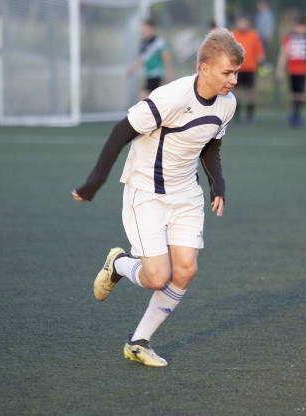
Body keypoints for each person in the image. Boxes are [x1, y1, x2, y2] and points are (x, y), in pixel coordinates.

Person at [72, 28, 244, 367]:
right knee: (156, 277)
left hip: (186, 194)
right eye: (227, 72)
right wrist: (95, 182)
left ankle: (138, 342)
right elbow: (122, 131)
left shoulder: (228, 104)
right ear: (205, 68)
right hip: (146, 192)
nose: (233, 80)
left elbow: (210, 145)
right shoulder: (172, 97)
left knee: (186, 270)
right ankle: (118, 264)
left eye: (236, 72)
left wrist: (218, 185)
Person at [275, 17, 306, 128]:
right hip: (301, 71)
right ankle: (295, 114)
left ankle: (295, 115)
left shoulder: (289, 38)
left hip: (294, 70)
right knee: (302, 95)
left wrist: (280, 69)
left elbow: (283, 54)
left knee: (296, 95)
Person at [127, 19, 173, 100]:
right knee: (154, 98)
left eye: (145, 29)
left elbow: (166, 57)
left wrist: (168, 73)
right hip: (149, 75)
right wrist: (132, 68)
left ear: (151, 29)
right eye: (142, 30)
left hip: (157, 74)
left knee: (143, 96)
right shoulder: (143, 43)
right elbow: (140, 58)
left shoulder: (159, 42)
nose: (143, 31)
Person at [232, 15, 265, 123]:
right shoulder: (233, 35)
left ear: (248, 24)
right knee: (236, 91)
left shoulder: (253, 35)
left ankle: (249, 114)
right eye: (240, 22)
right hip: (237, 68)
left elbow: (259, 51)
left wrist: (261, 63)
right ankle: (236, 114)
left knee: (250, 91)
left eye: (244, 22)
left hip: (250, 68)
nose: (242, 25)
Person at [255, 1, 275, 67]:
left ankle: (267, 65)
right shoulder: (260, 14)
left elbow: (269, 25)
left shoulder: (268, 14)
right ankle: (262, 64)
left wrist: (269, 35)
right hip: (259, 36)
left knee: (265, 51)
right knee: (260, 51)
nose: (258, 7)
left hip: (265, 36)